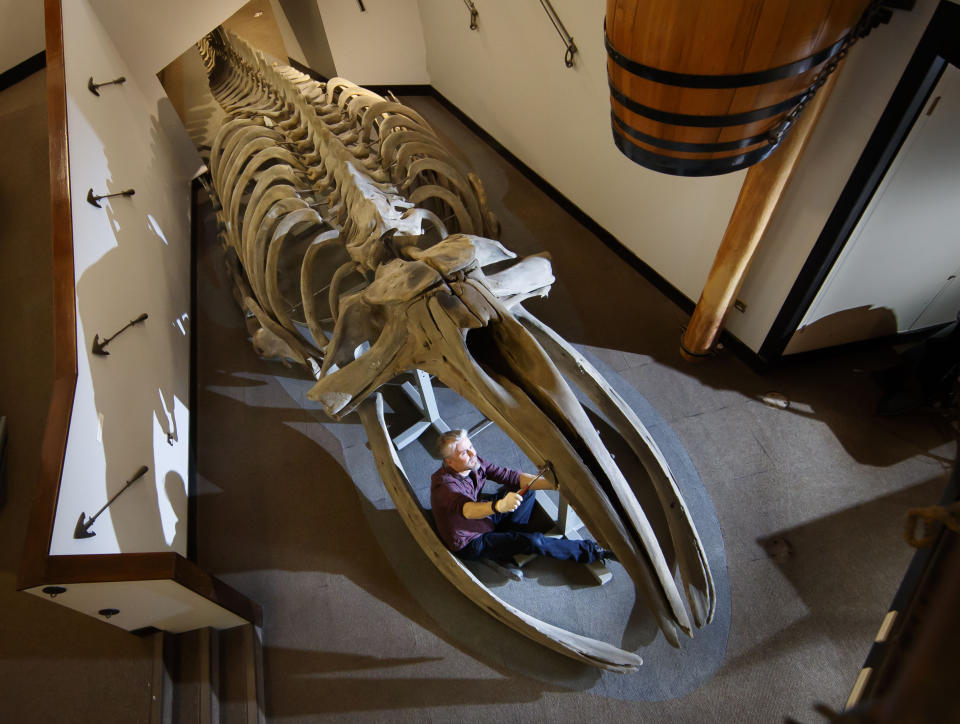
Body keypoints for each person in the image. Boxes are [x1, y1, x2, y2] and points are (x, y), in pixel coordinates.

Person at [429, 429, 615, 565]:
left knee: (527, 489)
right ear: (449, 461)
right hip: (471, 540)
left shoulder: (473, 461)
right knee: (533, 541)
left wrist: (557, 485)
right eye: (464, 452)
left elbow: (512, 477)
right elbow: (468, 510)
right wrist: (498, 506)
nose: (472, 453)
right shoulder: (444, 486)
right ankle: (594, 552)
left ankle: (511, 540)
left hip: (485, 517)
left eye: (471, 446)